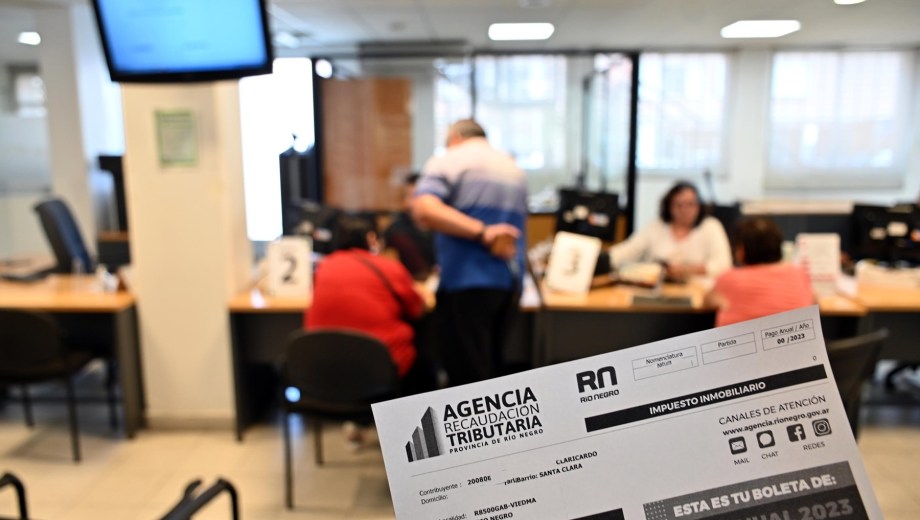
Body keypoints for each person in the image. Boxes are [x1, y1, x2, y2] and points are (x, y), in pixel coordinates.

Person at [412, 119, 527, 386]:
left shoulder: (450, 160)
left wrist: (481, 231)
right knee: (494, 372)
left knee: (467, 380)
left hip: (467, 281)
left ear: (455, 137)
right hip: (508, 283)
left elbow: (424, 210)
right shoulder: (512, 167)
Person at [609, 181, 732, 281]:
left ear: (699, 206)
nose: (685, 210)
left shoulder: (710, 227)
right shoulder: (656, 227)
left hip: (701, 296)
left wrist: (687, 270)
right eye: (679, 205)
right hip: (659, 293)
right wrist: (599, 258)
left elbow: (723, 265)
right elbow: (628, 251)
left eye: (690, 204)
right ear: (669, 207)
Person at [705, 217, 815, 326]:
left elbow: (707, 300)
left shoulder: (728, 278)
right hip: (794, 342)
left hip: (742, 342)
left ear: (741, 251)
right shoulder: (798, 274)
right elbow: (813, 301)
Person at [383, 172, 437, 281]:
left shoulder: (442, 229)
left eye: (414, 196)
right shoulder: (397, 231)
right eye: (407, 196)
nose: (408, 203)